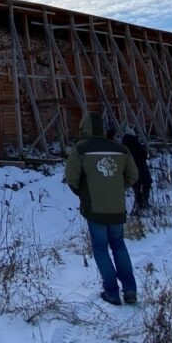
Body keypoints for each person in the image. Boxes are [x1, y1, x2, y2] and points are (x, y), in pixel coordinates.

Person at [65, 111, 139, 306]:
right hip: (116, 207)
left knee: (100, 248)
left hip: (94, 207)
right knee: (119, 245)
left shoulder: (80, 149)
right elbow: (133, 176)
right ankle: (130, 290)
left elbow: (72, 179)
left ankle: (112, 292)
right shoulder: (120, 148)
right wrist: (116, 187)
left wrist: (84, 193)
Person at [120, 125, 153, 213]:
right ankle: (144, 201)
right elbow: (144, 155)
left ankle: (138, 203)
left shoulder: (123, 146)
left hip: (130, 170)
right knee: (147, 183)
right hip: (141, 168)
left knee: (136, 187)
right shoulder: (136, 143)